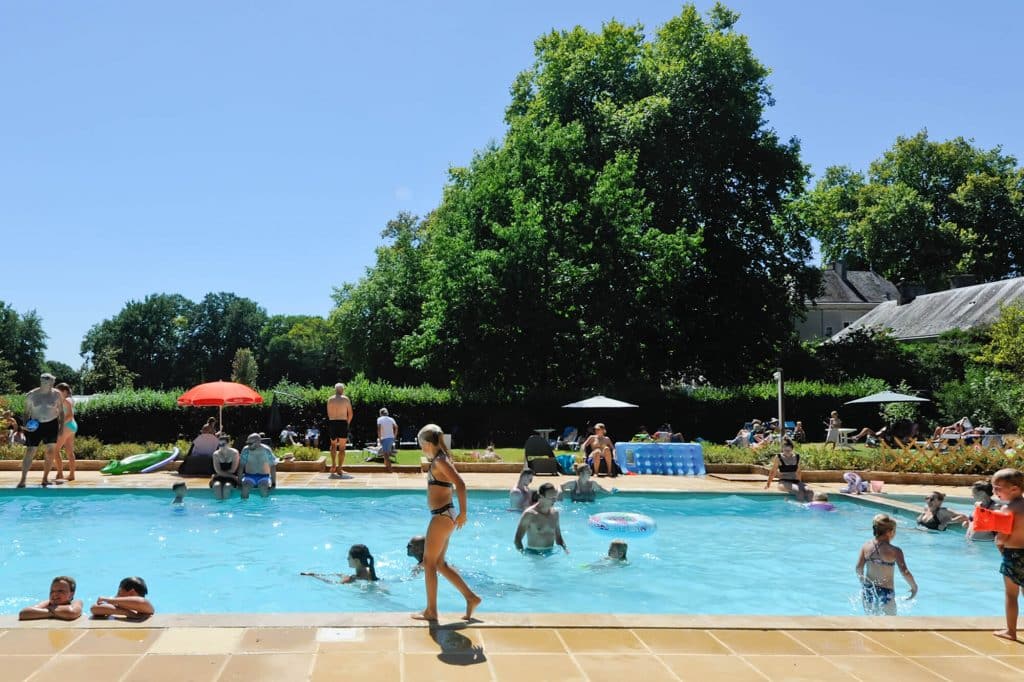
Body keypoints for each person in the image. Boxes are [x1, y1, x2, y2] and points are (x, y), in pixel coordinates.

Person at [412, 423, 480, 622]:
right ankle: (471, 597)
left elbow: (460, 484)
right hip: (444, 515)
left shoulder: (440, 461)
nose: (420, 447)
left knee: (429, 563)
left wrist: (464, 513)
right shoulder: (440, 459)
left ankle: (431, 611)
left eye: (421, 443)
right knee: (439, 564)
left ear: (426, 442)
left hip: (442, 516)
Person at [856, 514, 917, 615]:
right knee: (890, 623)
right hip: (886, 592)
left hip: (869, 590)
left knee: (871, 620)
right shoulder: (895, 551)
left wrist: (863, 582)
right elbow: (905, 572)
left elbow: (858, 568)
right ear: (890, 532)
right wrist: (914, 587)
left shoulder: (866, 546)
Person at [17, 372, 66, 488]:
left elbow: (61, 412)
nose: (47, 382)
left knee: (50, 452)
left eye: (49, 381)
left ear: (51, 382)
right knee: (30, 451)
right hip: (36, 425)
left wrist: (61, 427)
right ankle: (23, 480)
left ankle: (45, 479)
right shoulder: (31, 395)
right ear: (41, 381)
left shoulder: (57, 394)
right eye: (44, 380)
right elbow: (26, 413)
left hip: (51, 424)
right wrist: (25, 427)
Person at [992, 468, 1024, 641]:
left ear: (1014, 489)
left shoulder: (1008, 508)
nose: (994, 492)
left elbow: (1003, 535)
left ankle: (1011, 631)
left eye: (997, 488)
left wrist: (998, 541)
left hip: (1014, 555)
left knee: (1011, 594)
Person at [514, 482, 568, 554]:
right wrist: (524, 555)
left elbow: (558, 538)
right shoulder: (529, 514)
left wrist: (566, 551)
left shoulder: (555, 513)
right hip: (534, 553)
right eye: (551, 498)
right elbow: (517, 540)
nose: (554, 501)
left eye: (555, 497)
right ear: (541, 497)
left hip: (551, 552)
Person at [301, 544, 380, 584]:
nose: (347, 559)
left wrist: (314, 577)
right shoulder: (370, 571)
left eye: (349, 557)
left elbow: (333, 584)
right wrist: (317, 574)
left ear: (356, 561)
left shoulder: (351, 579)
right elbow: (343, 576)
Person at [18, 576, 83, 621]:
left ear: (71, 594)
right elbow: (23, 613)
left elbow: (71, 613)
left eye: (60, 591)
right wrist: (55, 613)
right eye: (52, 591)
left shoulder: (76, 602)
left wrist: (47, 610)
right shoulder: (47, 602)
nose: (54, 594)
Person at [90, 576, 154, 620]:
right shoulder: (119, 606)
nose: (116, 596)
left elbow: (141, 602)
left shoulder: (146, 607)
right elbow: (94, 608)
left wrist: (109, 600)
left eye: (119, 592)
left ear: (132, 592)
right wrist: (127, 613)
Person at [239, 433, 277, 499]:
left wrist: (273, 483)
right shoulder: (246, 450)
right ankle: (244, 508)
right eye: (248, 443)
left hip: (264, 477)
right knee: (244, 490)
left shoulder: (266, 450)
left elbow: (272, 466)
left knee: (264, 490)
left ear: (258, 442)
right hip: (249, 476)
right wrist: (239, 482)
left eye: (251, 443)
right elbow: (241, 466)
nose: (249, 445)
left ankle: (265, 508)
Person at [327, 383, 353, 476]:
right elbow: (350, 414)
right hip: (342, 423)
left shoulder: (330, 399)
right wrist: (347, 424)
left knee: (333, 445)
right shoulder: (345, 399)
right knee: (342, 448)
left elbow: (329, 413)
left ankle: (333, 465)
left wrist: (333, 421)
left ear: (335, 389)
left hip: (332, 422)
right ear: (342, 390)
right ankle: (339, 468)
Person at [52, 382, 77, 482]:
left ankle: (60, 473)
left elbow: (69, 415)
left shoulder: (66, 400)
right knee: (69, 451)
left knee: (55, 449)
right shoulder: (69, 400)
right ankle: (71, 475)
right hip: (72, 426)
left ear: (65, 391)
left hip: (67, 425)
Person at [210, 433, 240, 500]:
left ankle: (226, 507)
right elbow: (217, 470)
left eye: (223, 445)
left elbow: (233, 470)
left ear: (228, 444)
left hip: (230, 478)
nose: (221, 447)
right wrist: (233, 476)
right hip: (225, 477)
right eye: (219, 445)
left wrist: (221, 473)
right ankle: (220, 507)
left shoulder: (234, 453)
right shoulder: (216, 454)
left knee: (227, 486)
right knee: (217, 486)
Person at [376, 408, 398, 473]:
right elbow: (396, 427)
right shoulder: (391, 419)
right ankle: (386, 468)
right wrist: (395, 436)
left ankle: (390, 470)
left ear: (381, 413)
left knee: (385, 455)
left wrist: (379, 438)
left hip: (385, 438)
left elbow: (379, 429)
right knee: (387, 453)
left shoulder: (379, 419)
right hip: (391, 438)